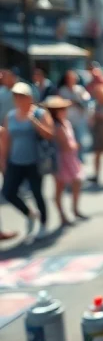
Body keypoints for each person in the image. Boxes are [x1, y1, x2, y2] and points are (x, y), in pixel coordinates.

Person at [1, 82, 54, 238]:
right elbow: (6, 140)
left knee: (37, 193)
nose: (18, 99)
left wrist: (34, 122)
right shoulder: (10, 116)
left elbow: (50, 135)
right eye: (16, 96)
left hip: (34, 162)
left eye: (22, 96)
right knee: (8, 192)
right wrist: (3, 161)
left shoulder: (39, 114)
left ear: (29, 97)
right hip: (15, 162)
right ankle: (30, 214)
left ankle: (43, 224)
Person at [43, 95, 85, 226]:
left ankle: (74, 209)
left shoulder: (65, 123)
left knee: (76, 182)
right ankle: (62, 215)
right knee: (60, 188)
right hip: (61, 160)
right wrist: (75, 146)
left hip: (70, 158)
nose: (64, 111)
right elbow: (66, 145)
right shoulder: (55, 126)